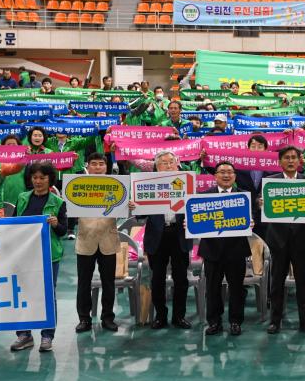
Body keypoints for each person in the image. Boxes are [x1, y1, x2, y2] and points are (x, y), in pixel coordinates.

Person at [129, 151, 192, 329]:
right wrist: (135, 206)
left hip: (179, 235)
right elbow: (140, 216)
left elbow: (196, 208)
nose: (169, 165)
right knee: (157, 279)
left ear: (177, 164)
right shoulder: (148, 185)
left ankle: (179, 316)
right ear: (156, 167)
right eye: (164, 162)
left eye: (171, 161)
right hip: (157, 236)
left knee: (181, 279)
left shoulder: (187, 182)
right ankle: (160, 316)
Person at [10, 162, 67, 353]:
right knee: (23, 293)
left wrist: (56, 224)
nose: (38, 181)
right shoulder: (22, 198)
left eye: (42, 177)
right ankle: (24, 335)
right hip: (24, 254)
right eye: (35, 177)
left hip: (49, 255)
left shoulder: (58, 202)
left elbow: (63, 231)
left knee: (47, 295)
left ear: (50, 179)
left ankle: (47, 335)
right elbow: (13, 223)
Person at [265, 146, 305, 334]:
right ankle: (275, 321)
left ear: (300, 161)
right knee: (277, 282)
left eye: (294, 157)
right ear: (280, 161)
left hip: (301, 239)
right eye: (287, 157)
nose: (291, 160)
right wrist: (260, 203)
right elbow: (259, 204)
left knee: (302, 282)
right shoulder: (270, 182)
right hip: (278, 239)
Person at [199, 161, 251, 336]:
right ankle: (214, 322)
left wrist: (251, 221)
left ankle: (235, 321)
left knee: (237, 288)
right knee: (212, 288)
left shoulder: (244, 196)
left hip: (236, 250)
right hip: (211, 250)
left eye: (230, 172)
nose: (226, 175)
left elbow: (252, 217)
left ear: (235, 176)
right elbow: (196, 220)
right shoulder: (203, 196)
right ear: (215, 176)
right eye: (222, 172)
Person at [74, 153, 119, 333]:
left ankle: (108, 317)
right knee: (83, 283)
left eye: (101, 164)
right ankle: (84, 319)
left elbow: (123, 207)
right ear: (88, 166)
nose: (98, 167)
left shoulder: (116, 185)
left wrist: (130, 206)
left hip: (108, 239)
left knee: (109, 282)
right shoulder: (77, 185)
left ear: (106, 167)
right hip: (86, 239)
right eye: (94, 164)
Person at [235, 134, 276, 239]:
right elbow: (218, 171)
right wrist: (205, 159)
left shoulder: (273, 168)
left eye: (260, 146)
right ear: (248, 148)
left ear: (266, 149)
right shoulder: (239, 166)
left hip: (265, 215)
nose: (256, 149)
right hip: (244, 213)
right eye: (253, 146)